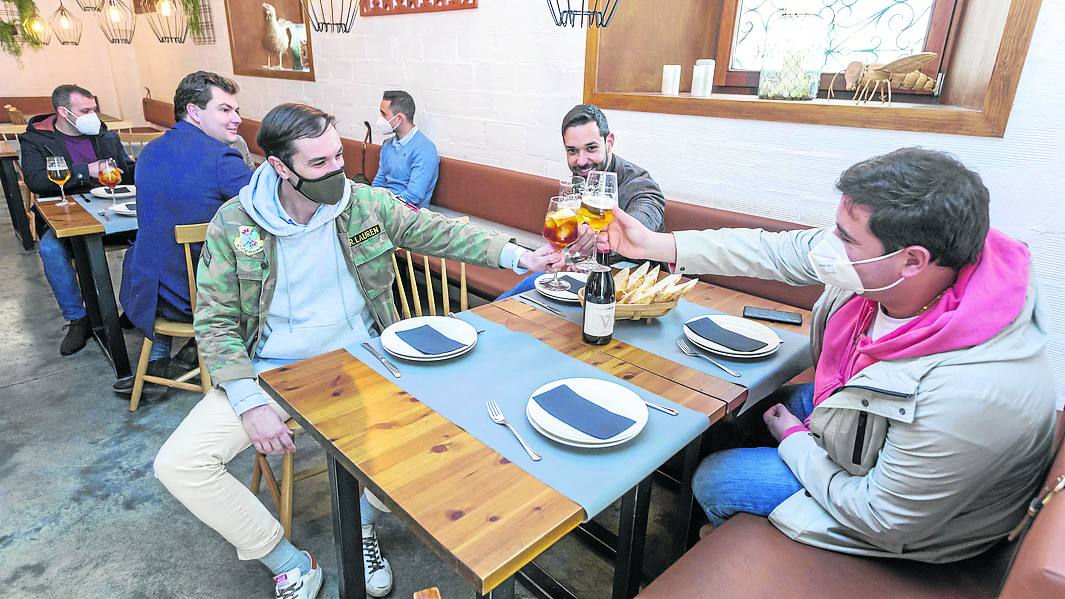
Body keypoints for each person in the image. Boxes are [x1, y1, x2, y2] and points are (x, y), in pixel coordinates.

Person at [153, 103, 562, 599]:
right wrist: (249, 400)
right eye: (319, 165)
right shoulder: (236, 224)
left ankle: (362, 526)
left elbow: (439, 232)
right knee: (179, 464)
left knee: (439, 435)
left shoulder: (362, 204)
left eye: (338, 158)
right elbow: (215, 321)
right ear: (280, 167)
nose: (336, 173)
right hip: (274, 371)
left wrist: (520, 256)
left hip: (367, 360)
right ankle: (287, 560)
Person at [599, 147, 1056, 563]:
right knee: (738, 412)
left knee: (717, 477)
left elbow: (882, 515)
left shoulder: (974, 390)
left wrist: (795, 439)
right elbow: (777, 251)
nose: (831, 247)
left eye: (846, 239)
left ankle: (746, 562)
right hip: (857, 414)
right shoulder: (898, 267)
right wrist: (655, 246)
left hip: (907, 526)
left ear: (912, 259)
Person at [114, 71, 253, 395]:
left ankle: (163, 356)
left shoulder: (149, 152)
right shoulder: (222, 158)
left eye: (236, 110)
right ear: (194, 111)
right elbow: (263, 214)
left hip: (148, 290)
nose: (237, 119)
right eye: (225, 110)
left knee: (173, 252)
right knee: (261, 254)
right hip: (199, 298)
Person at [498, 103, 666, 299]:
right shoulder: (579, 181)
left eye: (591, 148)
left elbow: (645, 219)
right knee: (515, 296)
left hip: (626, 292)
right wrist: (569, 257)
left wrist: (608, 236)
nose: (581, 160)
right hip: (578, 281)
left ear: (609, 142)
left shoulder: (639, 185)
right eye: (572, 151)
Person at [19, 84, 133, 355]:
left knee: (150, 238)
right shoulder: (37, 140)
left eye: (94, 109)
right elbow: (36, 180)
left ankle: (134, 306)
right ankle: (78, 318)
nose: (93, 115)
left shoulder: (105, 135)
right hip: (67, 215)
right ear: (63, 112)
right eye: (85, 110)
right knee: (50, 249)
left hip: (111, 209)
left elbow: (126, 173)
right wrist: (85, 171)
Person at [370, 90, 439, 208]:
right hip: (385, 210)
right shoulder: (387, 145)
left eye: (384, 114)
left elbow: (414, 196)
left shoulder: (425, 149)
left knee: (368, 227)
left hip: (409, 216)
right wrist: (370, 203)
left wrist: (383, 207)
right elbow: (379, 182)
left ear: (399, 119)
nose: (380, 119)